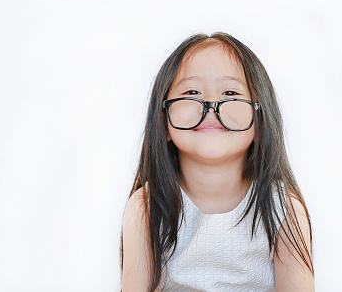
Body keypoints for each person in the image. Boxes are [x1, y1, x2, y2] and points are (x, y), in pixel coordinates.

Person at [120, 32, 314, 292]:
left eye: (230, 93)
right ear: (163, 120)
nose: (211, 105)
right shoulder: (145, 208)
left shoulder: (284, 209)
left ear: (260, 119)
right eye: (191, 92)